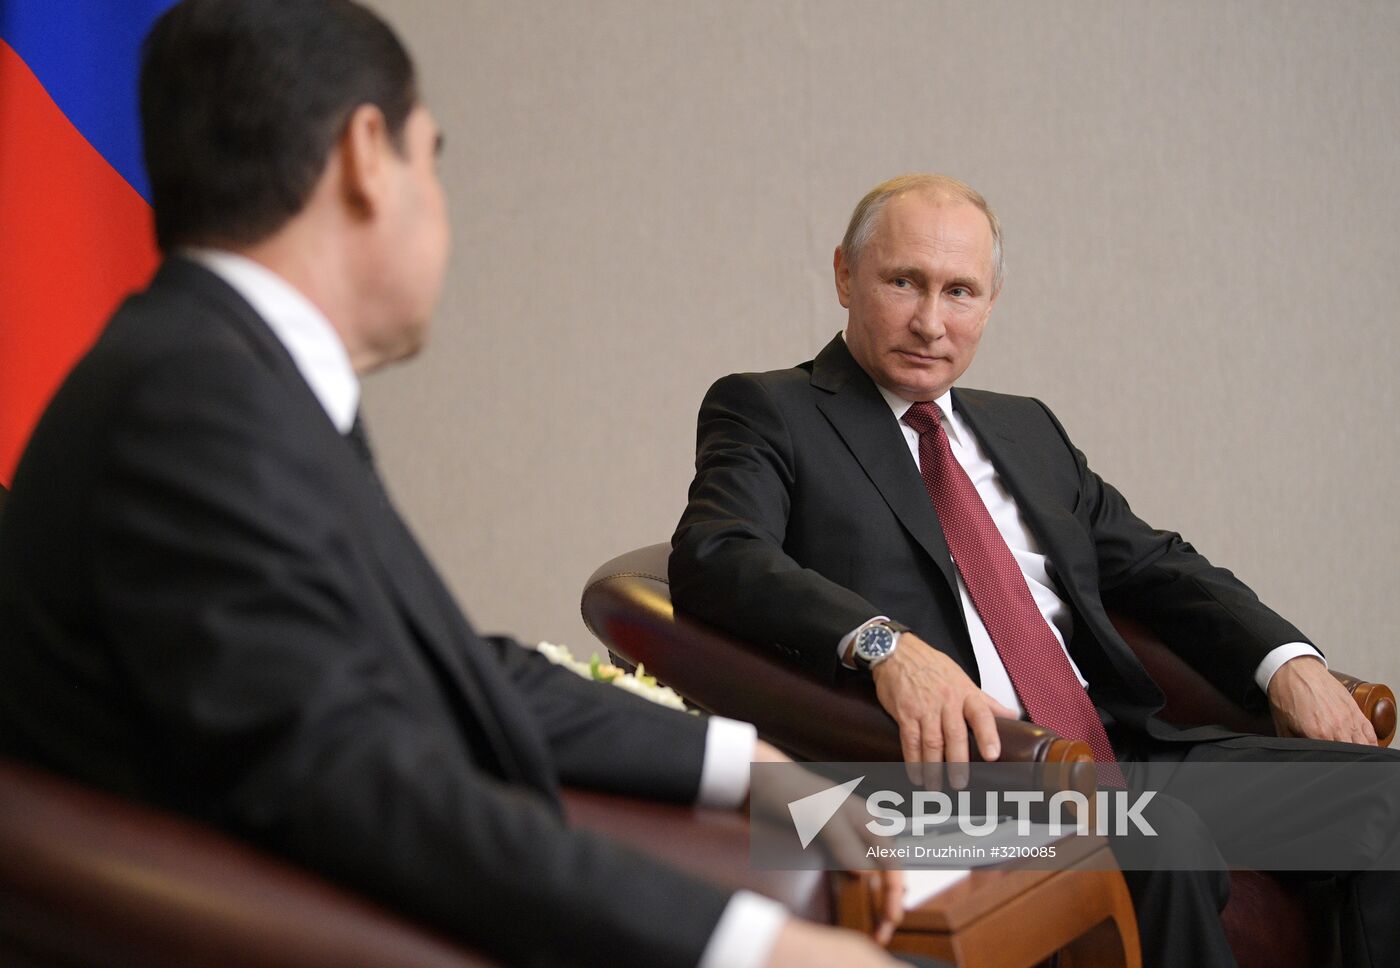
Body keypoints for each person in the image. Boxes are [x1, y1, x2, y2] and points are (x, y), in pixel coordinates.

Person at [0, 3, 929, 966]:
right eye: (430, 156)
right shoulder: (191, 406)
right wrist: (757, 950)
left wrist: (751, 766)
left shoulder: (222, 376)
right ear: (367, 154)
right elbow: (355, 781)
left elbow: (435, 667)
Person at [669, 173, 1399, 968]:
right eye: (903, 282)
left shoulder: (1025, 429)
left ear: (992, 300)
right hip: (948, 790)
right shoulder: (772, 410)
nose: (930, 322)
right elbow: (718, 552)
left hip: (1112, 757)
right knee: (1163, 840)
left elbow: (1158, 566)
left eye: (960, 292)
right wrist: (886, 646)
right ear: (846, 274)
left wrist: (1288, 665)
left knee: (1381, 793)